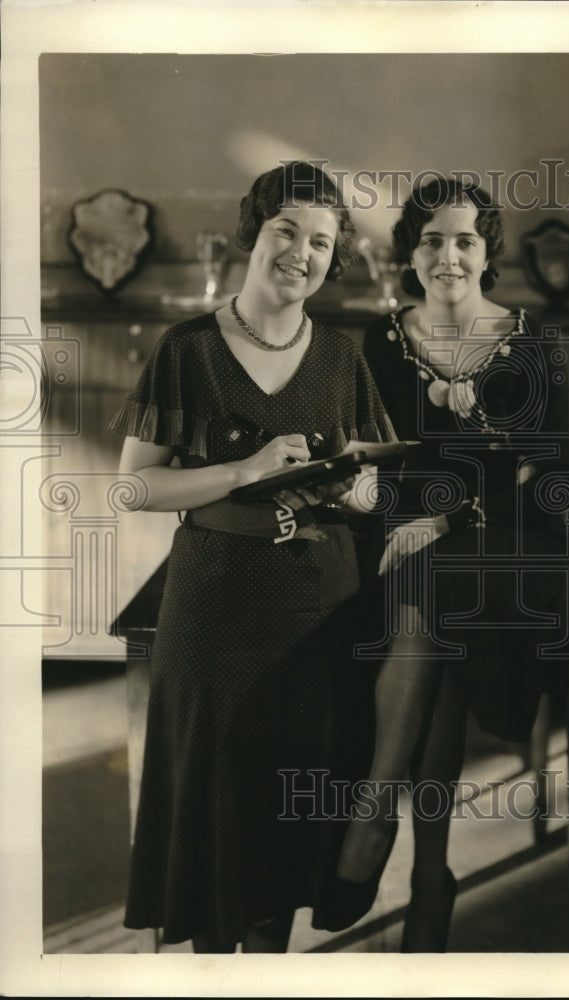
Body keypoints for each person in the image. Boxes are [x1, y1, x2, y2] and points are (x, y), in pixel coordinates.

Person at [110, 161, 396, 953]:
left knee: (284, 826)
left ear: (332, 259)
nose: (299, 253)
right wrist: (244, 471)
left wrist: (357, 491)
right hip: (215, 610)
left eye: (319, 242)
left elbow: (367, 487)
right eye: (285, 231)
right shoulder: (189, 349)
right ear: (254, 233)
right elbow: (134, 488)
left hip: (315, 617)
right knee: (212, 821)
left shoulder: (340, 357)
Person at [336, 177, 569, 951]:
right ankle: (430, 874)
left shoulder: (529, 342)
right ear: (411, 251)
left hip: (508, 541)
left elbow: (546, 478)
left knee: (427, 582)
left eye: (464, 239)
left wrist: (443, 517)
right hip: (412, 540)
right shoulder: (382, 340)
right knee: (421, 593)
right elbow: (373, 459)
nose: (447, 255)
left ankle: (372, 822)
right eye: (431, 239)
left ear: (485, 252)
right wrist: (395, 508)